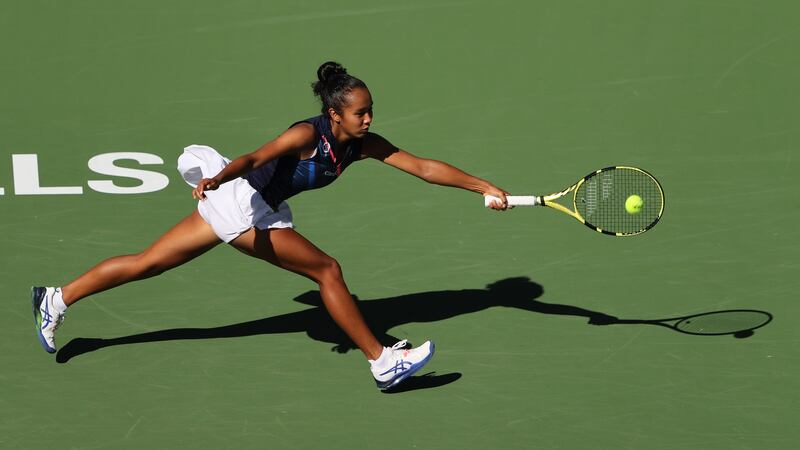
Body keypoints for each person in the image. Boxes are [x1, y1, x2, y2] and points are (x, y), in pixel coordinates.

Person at [32, 61, 510, 390]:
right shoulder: (307, 135)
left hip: (259, 206)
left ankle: (57, 297)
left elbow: (423, 167)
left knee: (148, 263)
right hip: (241, 202)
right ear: (334, 114)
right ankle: (382, 361)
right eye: (360, 112)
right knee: (327, 271)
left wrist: (482, 186)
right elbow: (258, 156)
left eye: (370, 110)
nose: (369, 118)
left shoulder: (361, 144)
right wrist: (220, 176)